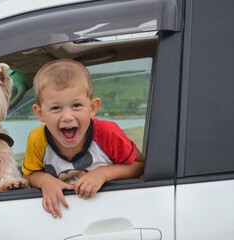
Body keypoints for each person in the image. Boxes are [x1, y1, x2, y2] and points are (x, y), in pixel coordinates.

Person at [21, 59, 145, 218]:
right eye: (56, 108)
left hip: (111, 212)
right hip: (66, 218)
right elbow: (29, 174)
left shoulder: (108, 133)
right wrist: (45, 181)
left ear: (92, 108)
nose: (67, 116)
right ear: (40, 113)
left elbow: (139, 164)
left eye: (76, 105)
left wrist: (103, 174)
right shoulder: (37, 139)